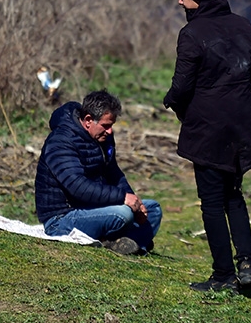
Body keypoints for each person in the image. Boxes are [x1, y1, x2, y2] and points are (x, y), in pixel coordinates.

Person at [163, 0, 251, 292]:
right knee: (234, 195)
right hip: (242, 126)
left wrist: (171, 102)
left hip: (208, 129)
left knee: (211, 202)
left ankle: (223, 275)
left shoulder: (192, 34)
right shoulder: (243, 25)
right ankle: (246, 263)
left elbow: (182, 86)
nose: (179, 1)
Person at [35, 90, 162, 254]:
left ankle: (121, 243)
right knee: (123, 214)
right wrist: (122, 198)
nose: (110, 131)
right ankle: (128, 240)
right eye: (106, 126)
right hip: (62, 218)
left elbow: (114, 173)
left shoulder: (103, 137)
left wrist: (135, 201)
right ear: (88, 120)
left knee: (153, 209)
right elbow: (78, 187)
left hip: (92, 207)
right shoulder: (60, 142)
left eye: (112, 125)